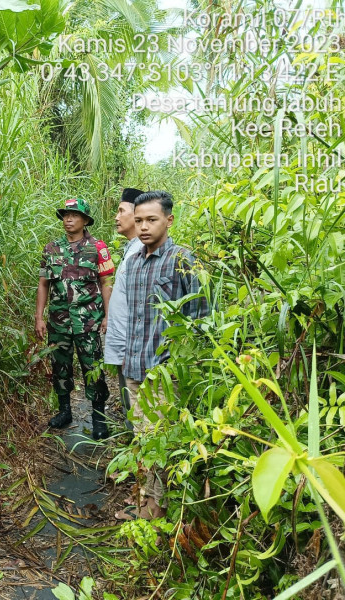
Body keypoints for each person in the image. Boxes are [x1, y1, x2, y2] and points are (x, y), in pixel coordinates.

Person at [116, 190, 208, 520]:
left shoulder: (183, 260)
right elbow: (133, 316)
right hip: (136, 366)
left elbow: (201, 317)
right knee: (142, 440)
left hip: (165, 373)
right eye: (138, 220)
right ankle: (147, 504)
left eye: (151, 220)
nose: (143, 227)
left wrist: (179, 363)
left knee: (162, 441)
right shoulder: (135, 261)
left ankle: (161, 509)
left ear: (169, 220)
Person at [35, 198, 114, 439]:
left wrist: (108, 317)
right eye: (65, 215)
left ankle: (99, 419)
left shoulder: (97, 248)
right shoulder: (51, 248)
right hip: (58, 321)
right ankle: (64, 411)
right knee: (60, 367)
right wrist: (39, 317)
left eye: (74, 215)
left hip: (87, 321)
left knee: (93, 368)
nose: (68, 219)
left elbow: (106, 283)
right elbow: (43, 284)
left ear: (85, 220)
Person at [103, 188, 146, 431]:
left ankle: (138, 461)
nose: (117, 217)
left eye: (121, 211)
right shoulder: (131, 247)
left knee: (138, 402)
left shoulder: (141, 250)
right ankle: (133, 452)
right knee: (129, 399)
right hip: (125, 341)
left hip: (133, 345)